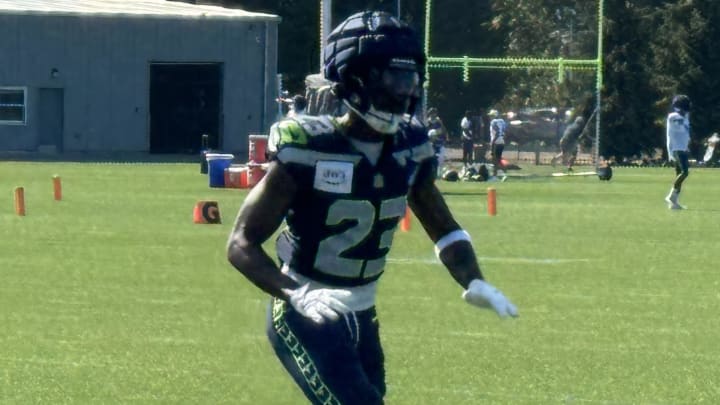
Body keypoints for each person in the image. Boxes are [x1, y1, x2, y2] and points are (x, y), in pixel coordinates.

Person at [226, 11, 518, 405]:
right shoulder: (310, 148)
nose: (405, 90)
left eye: (410, 78)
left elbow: (444, 227)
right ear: (355, 79)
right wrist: (295, 293)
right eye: (393, 78)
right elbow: (241, 243)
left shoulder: (409, 148)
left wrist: (475, 281)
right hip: (305, 311)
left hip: (362, 312)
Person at [665, 94, 691, 210]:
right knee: (685, 172)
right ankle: (671, 196)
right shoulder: (673, 116)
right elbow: (680, 127)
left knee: (679, 173)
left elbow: (685, 133)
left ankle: (674, 202)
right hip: (677, 148)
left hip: (683, 147)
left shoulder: (684, 117)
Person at [426, 107, 448, 177]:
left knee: (441, 159)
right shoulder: (427, 122)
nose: (433, 114)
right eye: (432, 113)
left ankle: (439, 174)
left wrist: (440, 123)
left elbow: (444, 131)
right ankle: (431, 174)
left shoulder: (438, 121)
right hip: (431, 143)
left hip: (440, 142)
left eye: (434, 113)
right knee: (431, 159)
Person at [488, 109, 507, 180]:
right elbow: (504, 131)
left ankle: (494, 176)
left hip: (496, 141)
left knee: (494, 160)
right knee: (498, 159)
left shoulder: (493, 122)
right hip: (502, 141)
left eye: (491, 115)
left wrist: (492, 143)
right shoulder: (502, 121)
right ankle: (504, 174)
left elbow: (496, 133)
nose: (490, 117)